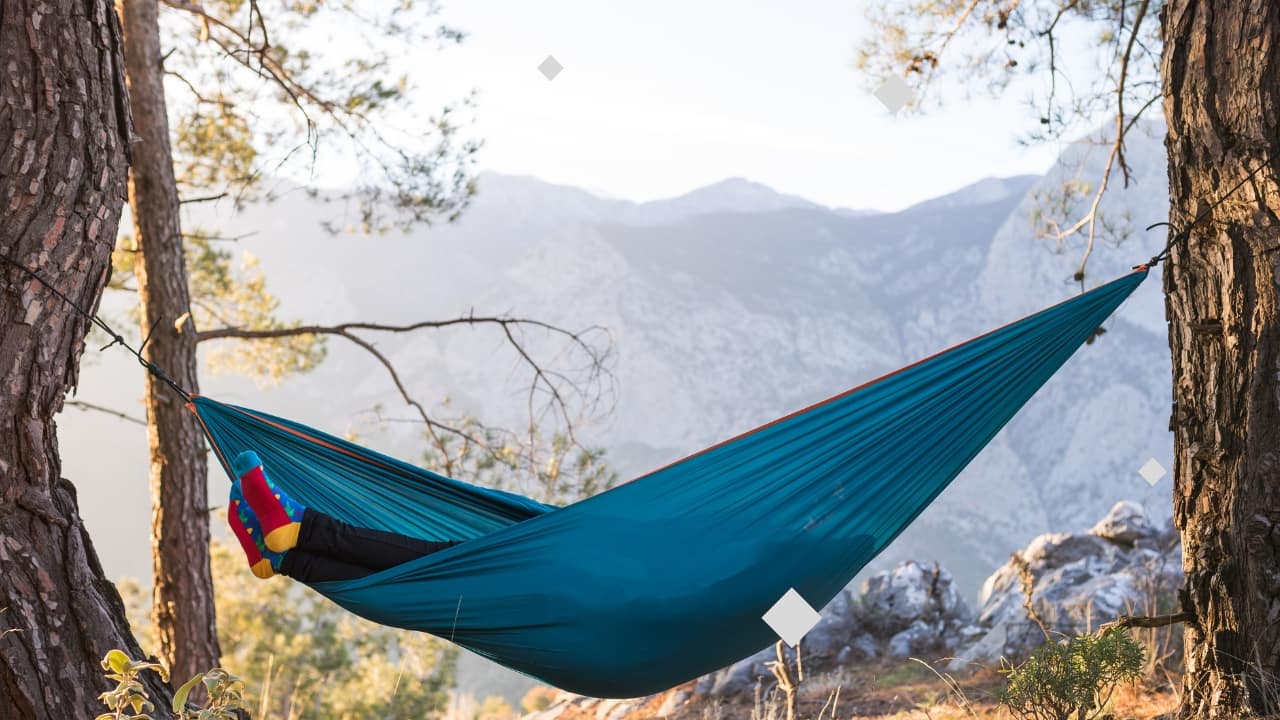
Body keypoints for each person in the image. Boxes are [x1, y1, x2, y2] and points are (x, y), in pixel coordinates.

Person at [227, 451, 461, 583]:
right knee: (398, 586)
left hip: (489, 573)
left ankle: (300, 528)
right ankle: (285, 560)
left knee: (443, 562)